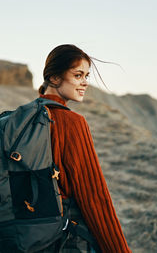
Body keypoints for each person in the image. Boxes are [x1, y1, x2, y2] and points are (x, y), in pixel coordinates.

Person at [37, 44, 131, 253]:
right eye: (78, 75)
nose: (85, 83)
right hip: (66, 240)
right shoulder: (71, 122)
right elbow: (94, 197)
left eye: (86, 76)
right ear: (54, 77)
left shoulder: (25, 118)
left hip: (29, 236)